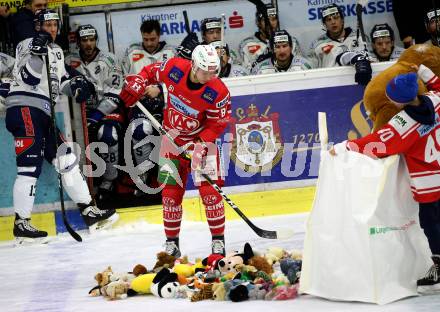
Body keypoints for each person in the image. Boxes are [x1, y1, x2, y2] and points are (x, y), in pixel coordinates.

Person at [5, 10, 118, 243]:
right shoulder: (27, 44)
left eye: (56, 24)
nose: (53, 28)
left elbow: (61, 79)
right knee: (29, 168)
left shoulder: (56, 50)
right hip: (25, 108)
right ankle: (21, 224)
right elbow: (29, 79)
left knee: (67, 159)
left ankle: (89, 211)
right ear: (38, 26)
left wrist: (75, 85)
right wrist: (37, 53)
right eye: (48, 24)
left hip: (43, 113)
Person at [330, 65, 440, 292]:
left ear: (397, 101)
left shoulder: (404, 124)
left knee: (432, 223)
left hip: (430, 184)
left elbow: (380, 144)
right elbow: (437, 85)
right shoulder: (436, 100)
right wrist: (422, 71)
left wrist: (345, 146)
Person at [119, 45, 231, 257]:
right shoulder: (174, 68)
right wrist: (139, 82)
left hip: (202, 144)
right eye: (205, 71)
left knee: (210, 194)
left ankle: (218, 242)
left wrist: (200, 142)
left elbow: (219, 123)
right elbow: (150, 72)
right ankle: (172, 243)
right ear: (194, 65)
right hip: (171, 142)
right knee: (170, 195)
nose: (209, 76)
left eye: (213, 72)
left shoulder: (218, 91)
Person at [65, 24, 125, 200]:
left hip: (106, 111)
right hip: (77, 114)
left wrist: (96, 115)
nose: (89, 44)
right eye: (84, 40)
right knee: (72, 141)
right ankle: (85, 183)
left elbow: (116, 92)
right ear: (78, 42)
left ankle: (109, 179)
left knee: (107, 133)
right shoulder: (69, 61)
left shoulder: (110, 60)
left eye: (92, 40)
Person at [308, 3, 372, 85]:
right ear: (324, 25)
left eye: (336, 18)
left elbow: (372, 61)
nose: (333, 22)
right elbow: (310, 73)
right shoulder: (317, 45)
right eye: (328, 19)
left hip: (358, 83)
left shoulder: (360, 37)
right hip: (330, 86)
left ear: (342, 20)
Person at [238, 3, 280, 70]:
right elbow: (245, 73)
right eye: (266, 20)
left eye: (273, 19)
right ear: (258, 22)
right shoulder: (246, 45)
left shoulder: (290, 42)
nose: (270, 23)